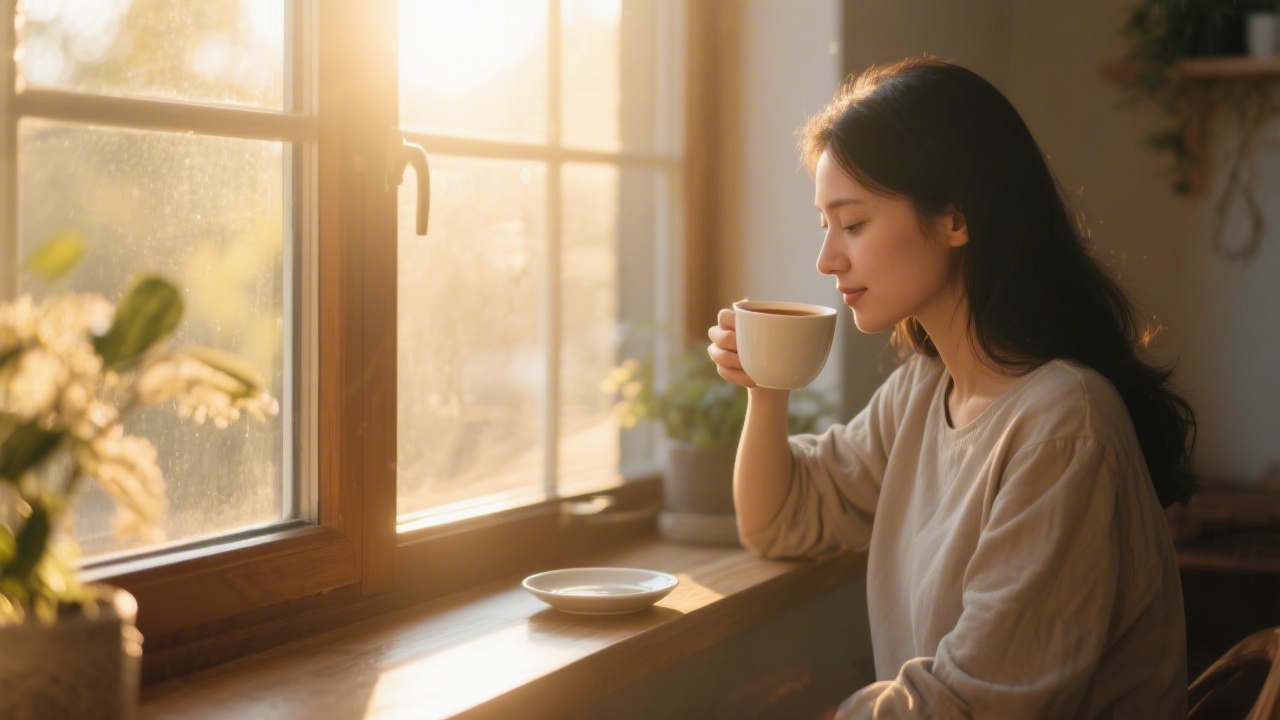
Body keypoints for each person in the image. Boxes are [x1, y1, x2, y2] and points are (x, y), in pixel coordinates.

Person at [706, 57, 1197, 719]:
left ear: (956, 219)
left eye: (853, 224)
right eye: (825, 225)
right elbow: (778, 520)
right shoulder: (924, 391)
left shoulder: (1063, 427)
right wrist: (766, 385)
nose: (827, 259)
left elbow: (974, 703)